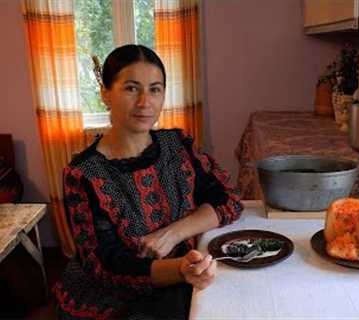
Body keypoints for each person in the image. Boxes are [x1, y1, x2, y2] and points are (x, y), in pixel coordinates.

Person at [52, 44, 243, 319]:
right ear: (106, 94)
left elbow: (228, 199)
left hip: (184, 273)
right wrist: (179, 269)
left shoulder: (179, 146)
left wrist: (174, 233)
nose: (145, 102)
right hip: (114, 297)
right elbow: (104, 265)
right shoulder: (84, 173)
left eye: (155, 89)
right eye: (131, 88)